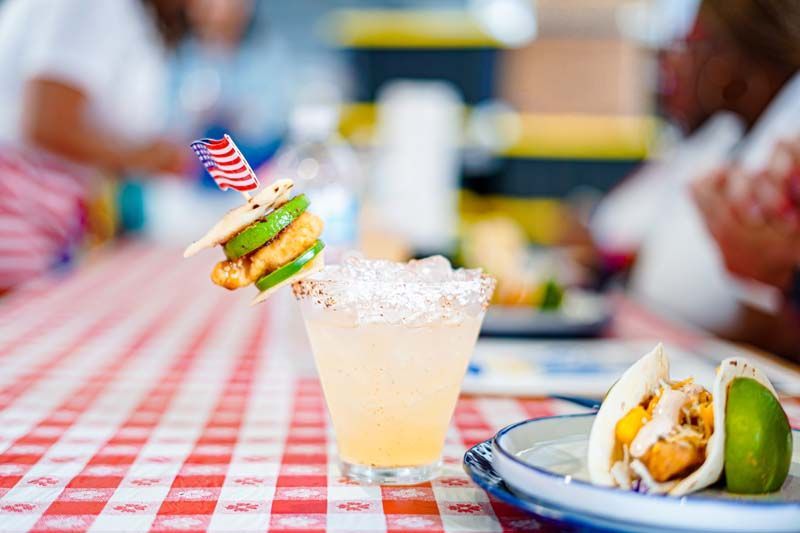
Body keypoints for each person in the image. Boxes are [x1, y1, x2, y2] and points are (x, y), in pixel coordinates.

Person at [591, 0, 800, 358]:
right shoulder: (728, 135)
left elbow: (766, 320)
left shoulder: (783, 126)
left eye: (693, 45)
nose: (676, 62)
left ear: (732, 57)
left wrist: (782, 276)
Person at [0, 0, 191, 292]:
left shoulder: (125, 15)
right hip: (15, 210)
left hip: (46, 217)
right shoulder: (96, 6)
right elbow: (47, 122)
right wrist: (146, 156)